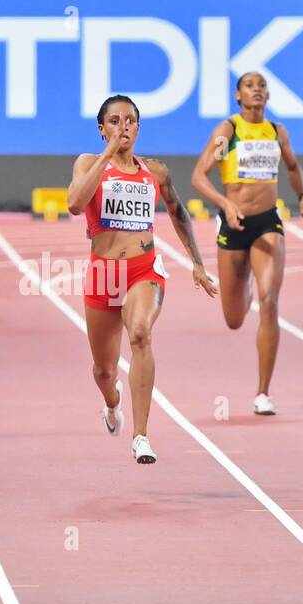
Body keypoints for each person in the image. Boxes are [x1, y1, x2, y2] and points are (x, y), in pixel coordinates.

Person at [67, 95, 218, 463]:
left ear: (138, 127)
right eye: (115, 121)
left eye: (131, 120)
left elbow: (179, 212)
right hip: (105, 274)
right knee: (104, 371)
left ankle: (141, 436)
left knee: (139, 333)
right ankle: (112, 402)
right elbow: (73, 204)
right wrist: (106, 157)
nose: (124, 127)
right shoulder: (88, 163)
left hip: (143, 269)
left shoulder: (155, 171)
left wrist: (196, 263)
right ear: (102, 129)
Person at [190, 72, 303, 417]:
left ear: (268, 95)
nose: (257, 89)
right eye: (249, 85)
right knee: (233, 319)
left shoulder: (276, 132)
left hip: (266, 223)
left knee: (270, 301)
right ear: (238, 96)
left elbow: (292, 166)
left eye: (261, 86)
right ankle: (243, 282)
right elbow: (199, 176)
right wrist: (225, 203)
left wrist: (302, 195)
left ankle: (263, 392)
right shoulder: (227, 132)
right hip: (234, 224)